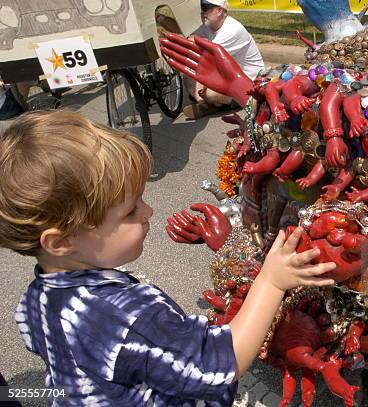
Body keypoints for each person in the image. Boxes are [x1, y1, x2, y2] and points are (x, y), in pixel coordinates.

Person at [0, 110, 336, 405]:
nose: (149, 211)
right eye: (130, 211)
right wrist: (272, 280)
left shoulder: (35, 298)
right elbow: (220, 363)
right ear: (61, 242)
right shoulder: (128, 317)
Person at [183, 0, 264, 119]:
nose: (201, 12)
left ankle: (233, 101)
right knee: (187, 75)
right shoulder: (209, 25)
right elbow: (183, 32)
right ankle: (206, 103)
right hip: (230, 74)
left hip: (249, 81)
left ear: (219, 10)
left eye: (205, 7)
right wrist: (160, 18)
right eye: (200, 8)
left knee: (210, 93)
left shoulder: (232, 30)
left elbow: (204, 57)